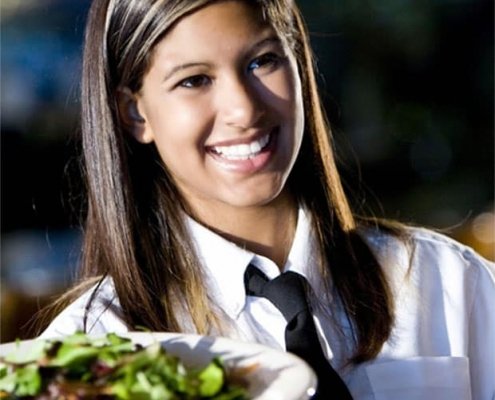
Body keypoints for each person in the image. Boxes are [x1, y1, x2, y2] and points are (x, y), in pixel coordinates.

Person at [38, 0, 494, 399]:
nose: (244, 109)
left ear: (299, 61)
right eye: (195, 80)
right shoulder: (94, 350)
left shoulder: (450, 282)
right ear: (135, 113)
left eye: (261, 62)